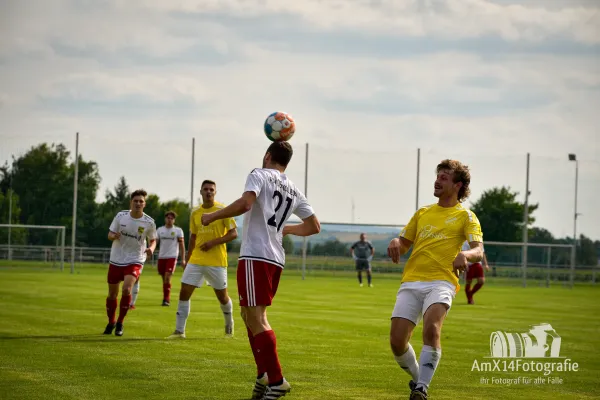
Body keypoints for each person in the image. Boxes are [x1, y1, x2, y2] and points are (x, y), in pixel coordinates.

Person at [200, 141, 320, 400]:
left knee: (256, 317)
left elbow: (245, 204)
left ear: (267, 156)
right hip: (275, 257)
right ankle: (263, 375)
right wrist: (286, 229)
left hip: (256, 254)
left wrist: (214, 216)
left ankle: (277, 381)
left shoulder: (259, 174)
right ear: (286, 163)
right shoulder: (293, 188)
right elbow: (313, 226)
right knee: (247, 314)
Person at [387, 159, 483, 400]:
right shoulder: (423, 212)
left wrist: (465, 254)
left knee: (432, 329)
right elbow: (405, 242)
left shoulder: (466, 216)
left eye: (444, 177)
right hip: (411, 282)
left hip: (442, 282)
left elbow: (478, 249)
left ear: (458, 185)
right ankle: (419, 377)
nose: (437, 180)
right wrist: (396, 242)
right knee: (397, 341)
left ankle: (421, 389)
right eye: (437, 176)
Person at [167, 180, 238, 339]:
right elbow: (193, 236)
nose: (208, 192)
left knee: (222, 297)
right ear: (200, 192)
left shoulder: (223, 210)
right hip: (196, 260)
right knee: (184, 292)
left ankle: (229, 324)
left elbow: (234, 233)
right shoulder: (195, 213)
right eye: (205, 189)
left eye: (211, 189)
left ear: (215, 192)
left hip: (217, 262)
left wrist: (213, 242)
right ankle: (179, 331)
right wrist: (187, 259)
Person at [104, 189, 157, 337]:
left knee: (127, 290)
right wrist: (114, 236)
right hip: (116, 259)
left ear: (144, 204)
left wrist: (151, 248)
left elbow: (153, 239)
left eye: (141, 201)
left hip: (135, 259)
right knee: (112, 295)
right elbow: (109, 234)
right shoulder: (121, 216)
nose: (138, 203)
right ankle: (111, 321)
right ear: (131, 203)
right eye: (136, 201)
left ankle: (120, 322)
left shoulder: (149, 222)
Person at [156, 211, 186, 306]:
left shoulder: (178, 231)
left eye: (171, 218)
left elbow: (182, 246)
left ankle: (166, 299)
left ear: (174, 220)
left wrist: (183, 259)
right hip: (161, 257)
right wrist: (149, 253)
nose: (169, 220)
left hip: (172, 257)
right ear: (165, 219)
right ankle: (165, 296)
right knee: (164, 278)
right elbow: (155, 242)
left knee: (167, 277)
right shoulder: (160, 230)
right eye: (168, 218)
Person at [462, 240, 489, 304]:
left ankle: (470, 294)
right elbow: (463, 253)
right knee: (469, 282)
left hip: (477, 263)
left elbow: (482, 253)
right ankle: (470, 299)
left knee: (481, 281)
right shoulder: (465, 242)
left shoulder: (479, 240)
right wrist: (465, 264)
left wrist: (486, 264)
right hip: (469, 264)